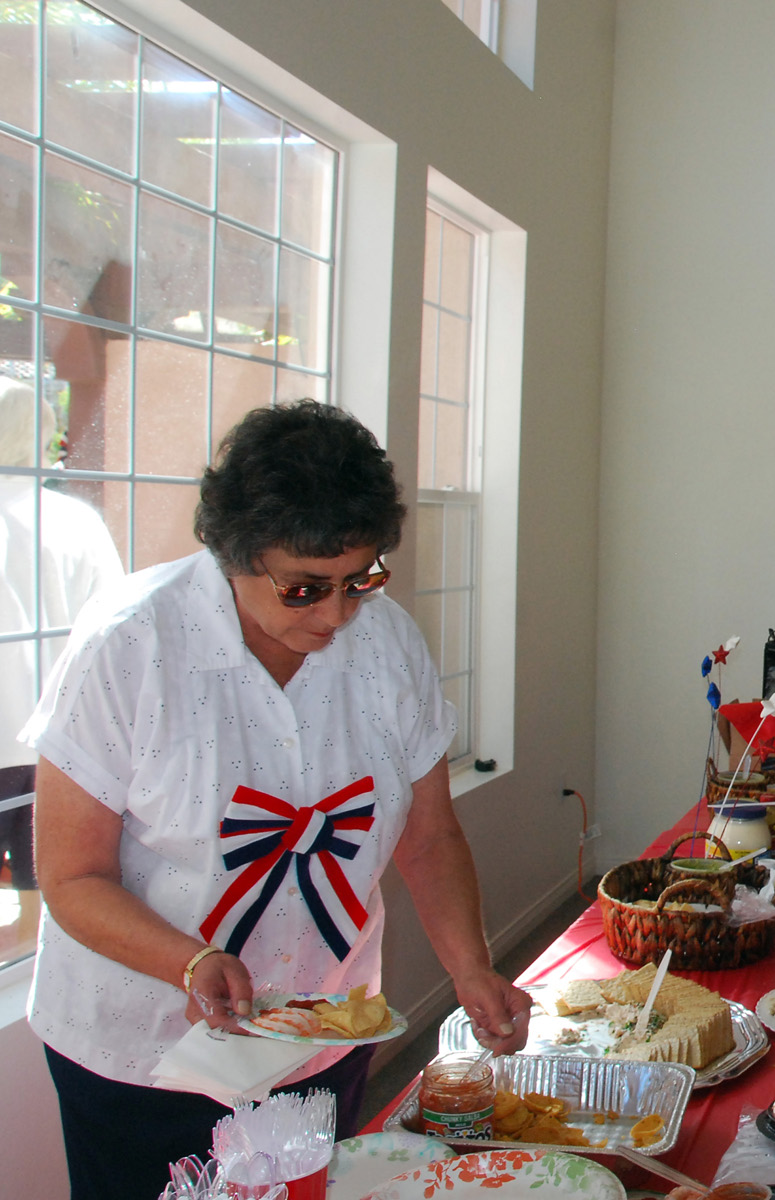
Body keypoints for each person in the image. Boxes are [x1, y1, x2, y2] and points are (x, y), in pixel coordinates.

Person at [25, 400, 531, 1200]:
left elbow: (429, 836)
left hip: (321, 1036)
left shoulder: (388, 642)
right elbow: (71, 876)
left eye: (360, 579)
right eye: (304, 589)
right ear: (234, 553)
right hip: (141, 1052)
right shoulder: (128, 647)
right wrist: (189, 961)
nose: (336, 616)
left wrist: (471, 968)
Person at [0, 379, 123, 960]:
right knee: (48, 875)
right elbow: (114, 628)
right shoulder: (77, 523)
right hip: (60, 727)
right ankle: (33, 949)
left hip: (28, 719)